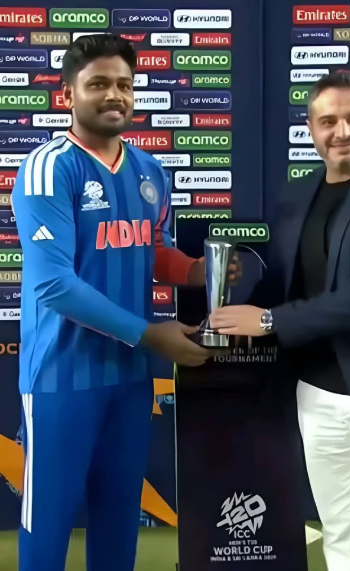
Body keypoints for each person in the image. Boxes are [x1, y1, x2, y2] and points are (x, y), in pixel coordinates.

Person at [11, 34, 233, 570]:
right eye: (99, 84)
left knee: (117, 525)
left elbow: (152, 251)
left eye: (124, 85)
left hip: (129, 380)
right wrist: (150, 335)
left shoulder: (149, 171)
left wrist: (199, 272)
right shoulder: (49, 167)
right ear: (68, 95)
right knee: (47, 526)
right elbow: (53, 285)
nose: (115, 95)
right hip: (61, 378)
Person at [209, 71, 350, 570]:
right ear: (312, 129)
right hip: (316, 393)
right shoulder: (296, 195)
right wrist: (230, 291)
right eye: (329, 121)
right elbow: (288, 283)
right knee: (341, 535)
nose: (343, 132)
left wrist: (266, 319)